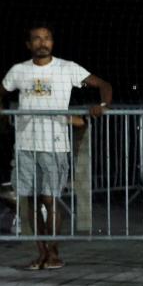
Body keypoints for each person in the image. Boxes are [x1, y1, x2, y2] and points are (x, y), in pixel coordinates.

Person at [1, 24, 112, 270]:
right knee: (29, 202)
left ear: (52, 42)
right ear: (28, 44)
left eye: (47, 38)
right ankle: (42, 253)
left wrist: (103, 105)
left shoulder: (67, 68)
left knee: (50, 200)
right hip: (25, 145)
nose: (42, 42)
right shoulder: (18, 70)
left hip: (55, 145)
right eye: (37, 38)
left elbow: (104, 85)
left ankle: (53, 253)